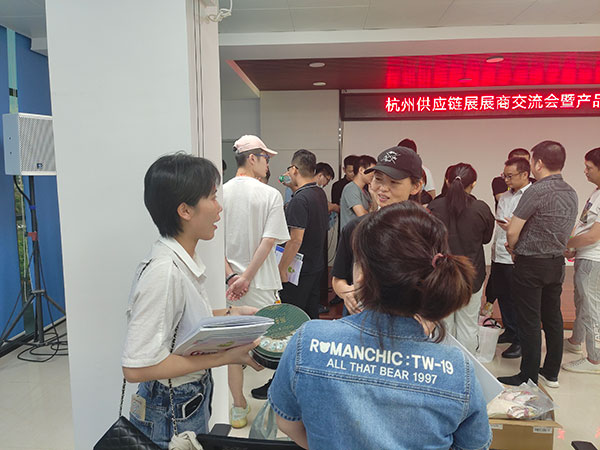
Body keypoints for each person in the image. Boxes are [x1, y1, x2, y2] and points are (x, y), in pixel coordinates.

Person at [268, 202, 492, 450]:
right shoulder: (456, 369)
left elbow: (286, 421)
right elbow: (475, 445)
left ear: (361, 275)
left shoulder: (309, 341)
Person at [121, 153, 263, 448]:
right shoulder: (164, 272)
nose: (219, 208)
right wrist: (227, 357)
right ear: (185, 210)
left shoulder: (181, 260)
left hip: (186, 401)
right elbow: (136, 368)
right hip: (169, 412)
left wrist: (232, 313)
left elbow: (181, 320)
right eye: (212, 198)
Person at [223, 135, 290, 428]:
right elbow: (269, 241)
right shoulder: (270, 194)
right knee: (277, 344)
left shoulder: (219, 193)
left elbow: (212, 242)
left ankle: (238, 407)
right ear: (252, 158)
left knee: (232, 349)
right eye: (266, 158)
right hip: (260, 284)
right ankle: (279, 408)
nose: (268, 164)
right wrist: (247, 278)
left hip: (228, 288)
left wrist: (232, 277)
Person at [499, 140, 578, 388]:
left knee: (529, 320)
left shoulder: (536, 191)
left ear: (539, 163)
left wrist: (513, 249)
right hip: (556, 264)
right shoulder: (571, 192)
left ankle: (528, 375)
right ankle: (551, 372)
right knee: (553, 317)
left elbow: (513, 230)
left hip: (531, 264)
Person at [332, 146, 422, 316]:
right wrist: (346, 292)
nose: (383, 188)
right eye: (378, 179)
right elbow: (338, 278)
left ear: (416, 186)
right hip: (361, 317)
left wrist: (427, 319)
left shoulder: (424, 231)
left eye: (394, 182)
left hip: (404, 320)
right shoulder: (355, 228)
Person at [429, 163, 494, 355]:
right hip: (471, 275)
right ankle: (466, 366)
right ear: (473, 184)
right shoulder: (481, 209)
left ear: (447, 181)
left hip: (441, 275)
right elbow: (486, 239)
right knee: (468, 325)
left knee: (443, 325)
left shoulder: (434, 207)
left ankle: (444, 366)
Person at [489, 157, 533, 359]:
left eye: (510, 176)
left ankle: (520, 341)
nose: (506, 180)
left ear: (524, 174)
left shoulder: (532, 195)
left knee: (518, 300)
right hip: (499, 253)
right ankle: (510, 330)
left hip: (516, 255)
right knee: (503, 295)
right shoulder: (506, 196)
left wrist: (513, 228)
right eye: (504, 176)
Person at [562, 147, 600, 375]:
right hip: (585, 256)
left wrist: (567, 243)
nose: (585, 171)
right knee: (582, 302)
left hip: (594, 259)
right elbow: (584, 224)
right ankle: (576, 341)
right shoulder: (596, 192)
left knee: (591, 306)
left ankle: (595, 359)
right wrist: (573, 246)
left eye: (589, 168)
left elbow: (594, 236)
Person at [278, 149, 329, 319]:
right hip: (315, 266)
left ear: (294, 169)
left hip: (298, 271)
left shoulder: (299, 200)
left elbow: (295, 240)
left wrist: (282, 268)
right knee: (310, 314)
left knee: (292, 317)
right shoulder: (319, 193)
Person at [339, 154, 376, 230]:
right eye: (372, 170)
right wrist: (370, 211)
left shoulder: (365, 191)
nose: (373, 174)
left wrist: (373, 194)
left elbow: (374, 211)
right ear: (361, 170)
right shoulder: (351, 189)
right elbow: (363, 216)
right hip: (352, 234)